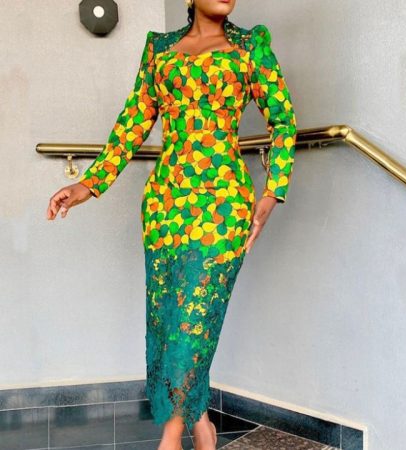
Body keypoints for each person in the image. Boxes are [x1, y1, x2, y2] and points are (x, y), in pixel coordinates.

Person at [46, 0, 297, 448]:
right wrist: (88, 184)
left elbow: (283, 121)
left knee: (195, 319)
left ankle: (171, 435)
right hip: (165, 205)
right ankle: (202, 425)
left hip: (223, 206)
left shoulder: (250, 47)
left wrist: (272, 192)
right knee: (169, 320)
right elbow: (133, 121)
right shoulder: (159, 50)